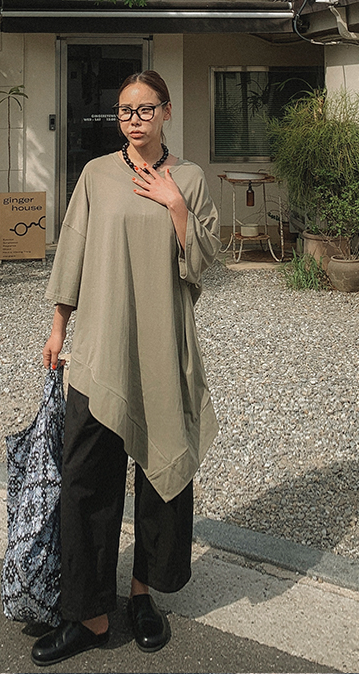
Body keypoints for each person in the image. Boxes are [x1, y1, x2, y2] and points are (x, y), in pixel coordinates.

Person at [31, 70, 221, 667]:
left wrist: (175, 206)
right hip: (101, 345)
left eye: (144, 108)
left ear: (166, 111)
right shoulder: (96, 175)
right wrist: (58, 328)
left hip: (162, 346)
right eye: (124, 110)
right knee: (85, 477)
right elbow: (72, 250)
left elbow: (205, 262)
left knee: (162, 476)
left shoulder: (189, 179)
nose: (134, 119)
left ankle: (142, 595)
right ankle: (89, 613)